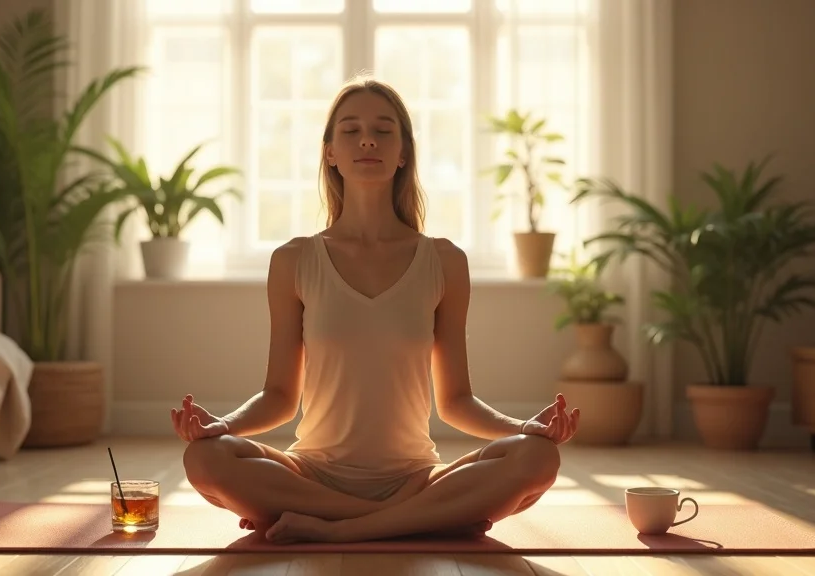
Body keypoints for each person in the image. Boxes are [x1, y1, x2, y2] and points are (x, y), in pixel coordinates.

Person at [171, 76, 581, 545]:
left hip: (415, 478)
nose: (367, 140)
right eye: (351, 130)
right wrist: (221, 426)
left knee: (537, 457)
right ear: (330, 153)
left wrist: (526, 428)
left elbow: (455, 402)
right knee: (205, 459)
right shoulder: (293, 260)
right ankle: (412, 521)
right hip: (312, 475)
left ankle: (340, 529)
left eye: (384, 130)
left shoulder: (445, 261)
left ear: (403, 152)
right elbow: (280, 395)